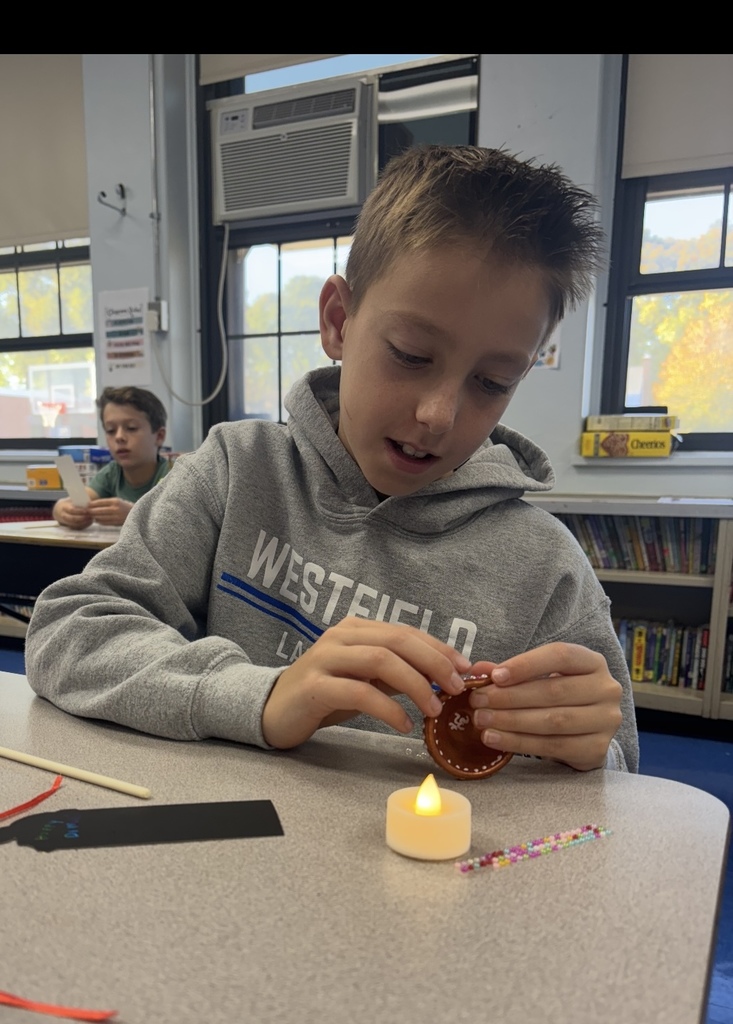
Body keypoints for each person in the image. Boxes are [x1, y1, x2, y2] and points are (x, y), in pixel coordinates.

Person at [26, 145, 639, 773]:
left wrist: (589, 751)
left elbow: (619, 775)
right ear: (339, 321)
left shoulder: (548, 570)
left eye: (492, 382)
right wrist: (261, 696)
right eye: (410, 354)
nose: (438, 414)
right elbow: (68, 631)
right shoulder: (237, 470)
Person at [52, 386, 170, 529]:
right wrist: (61, 510)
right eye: (111, 430)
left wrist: (134, 515)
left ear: (159, 436)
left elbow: (182, 524)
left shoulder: (173, 475)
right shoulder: (111, 473)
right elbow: (72, 503)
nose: (119, 437)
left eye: (131, 428)